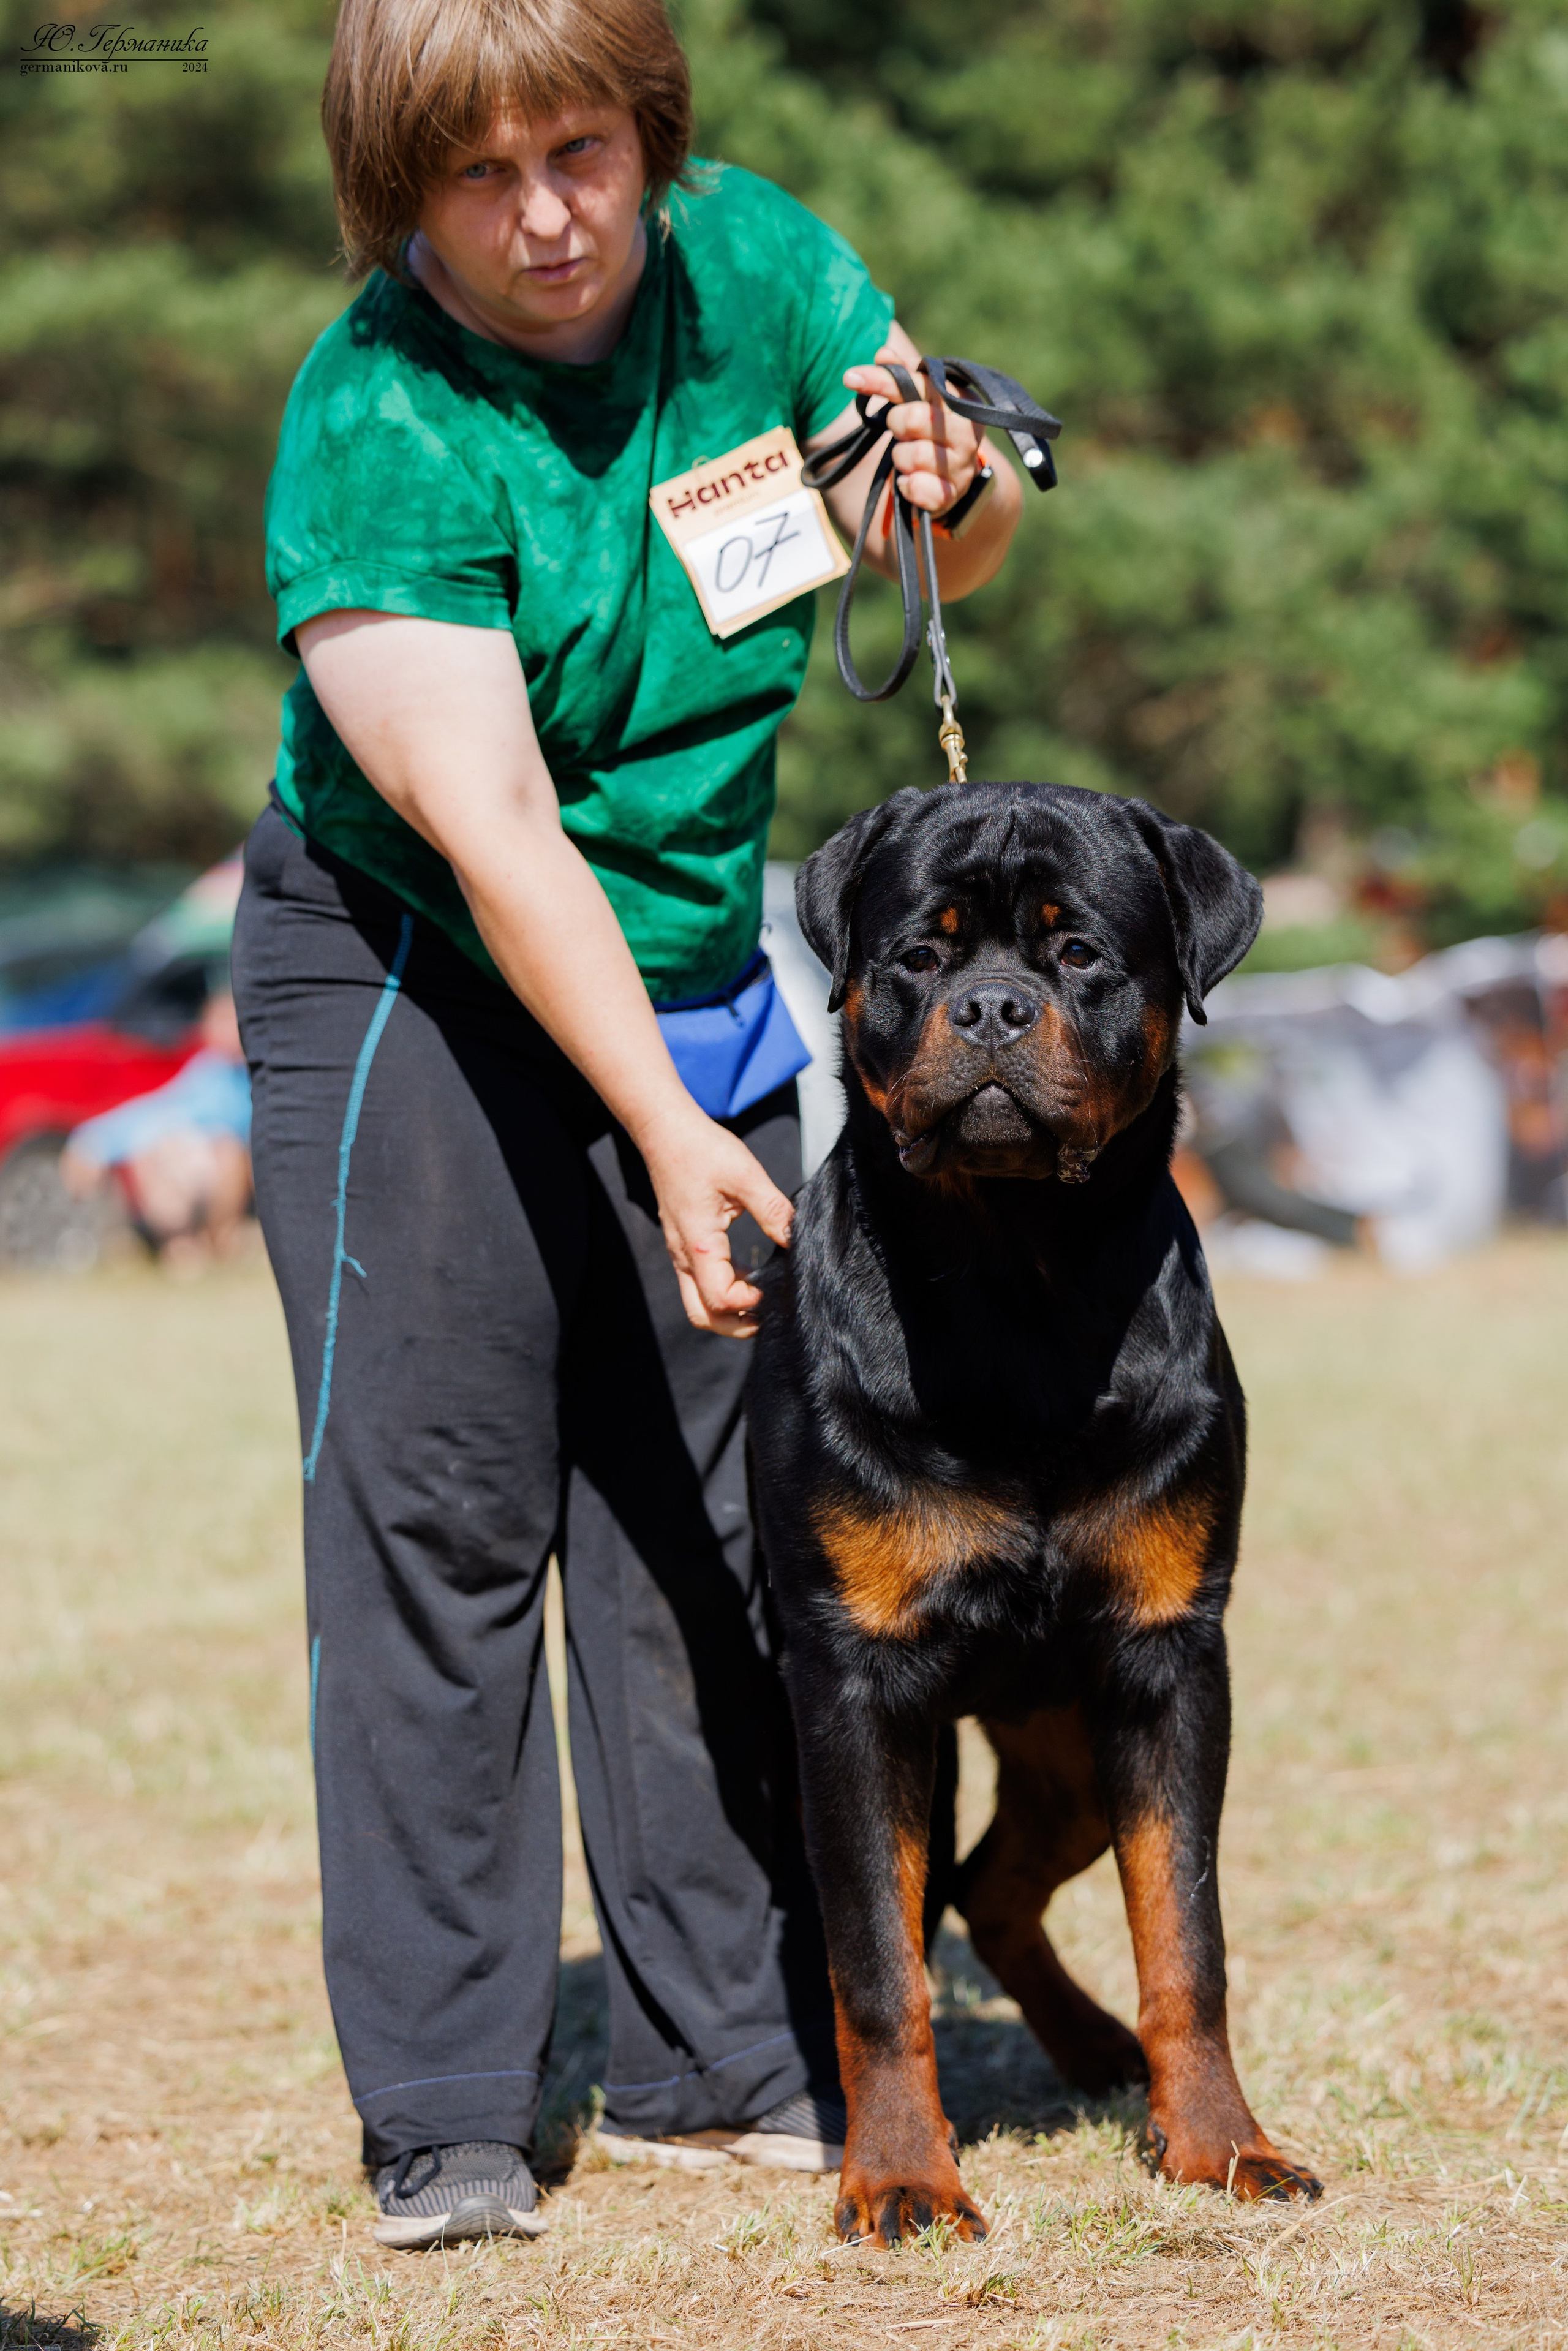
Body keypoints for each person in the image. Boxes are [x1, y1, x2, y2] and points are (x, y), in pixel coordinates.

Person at [232, 0, 1025, 2252]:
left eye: (580, 149)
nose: (549, 216)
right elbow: (492, 830)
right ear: (404, 198)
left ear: (645, 134)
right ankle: (453, 2101)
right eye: (479, 177)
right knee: (446, 1518)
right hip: (426, 975)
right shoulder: (374, 419)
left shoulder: (754, 262)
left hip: (695, 954)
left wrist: (926, 485)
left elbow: (908, 539)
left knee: (718, 1519)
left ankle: (721, 2048)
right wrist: (675, 1127)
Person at [62, 989, 254, 1269]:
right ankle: (182, 1247)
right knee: (156, 1146)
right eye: (219, 1021)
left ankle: (220, 1242)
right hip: (202, 1176)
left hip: (251, 1176)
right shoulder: (210, 1073)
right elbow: (164, 1111)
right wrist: (93, 1143)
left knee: (226, 1148)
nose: (226, 1032)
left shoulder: (259, 1076)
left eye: (232, 1022)